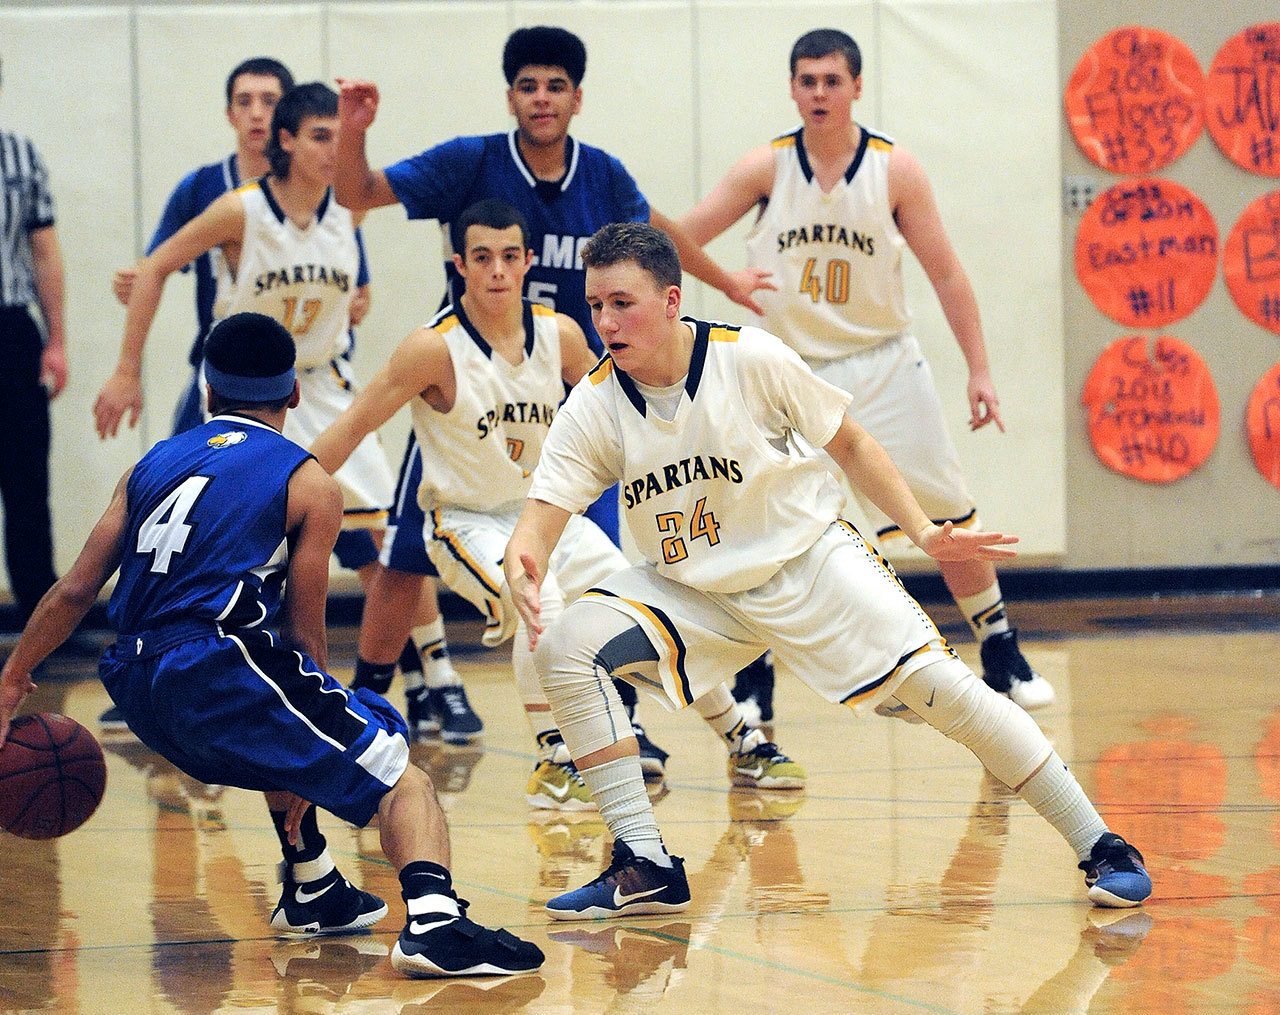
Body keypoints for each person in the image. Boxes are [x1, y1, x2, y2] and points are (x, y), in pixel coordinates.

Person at [504, 222, 1151, 919]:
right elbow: (540, 517)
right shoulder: (594, 403)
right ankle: (645, 862)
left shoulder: (748, 358)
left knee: (947, 692)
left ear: (670, 300)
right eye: (595, 305)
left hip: (808, 562)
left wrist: (922, 531)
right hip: (695, 591)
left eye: (621, 304)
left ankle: (1102, 843)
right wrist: (523, 559)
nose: (604, 322)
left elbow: (853, 444)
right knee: (562, 645)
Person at [0, 311, 544, 977]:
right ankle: (436, 924)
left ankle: (313, 883)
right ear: (294, 393)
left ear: (207, 391)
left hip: (136, 684)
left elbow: (74, 590)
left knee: (279, 719)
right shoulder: (309, 481)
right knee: (401, 772)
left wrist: (13, 678)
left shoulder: (149, 464)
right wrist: (320, 739)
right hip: (215, 664)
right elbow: (303, 636)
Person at [329, 26, 774, 756]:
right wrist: (354, 132)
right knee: (406, 557)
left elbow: (659, 235)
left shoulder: (602, 178)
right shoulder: (469, 162)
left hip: (570, 391)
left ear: (577, 98)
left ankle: (617, 723)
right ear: (510, 96)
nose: (542, 98)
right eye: (528, 86)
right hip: (471, 394)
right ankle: (371, 697)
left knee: (601, 576)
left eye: (555, 86)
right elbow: (356, 192)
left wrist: (726, 282)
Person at [310, 200, 804, 811]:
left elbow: (624, 407)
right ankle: (556, 760)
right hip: (465, 521)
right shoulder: (430, 350)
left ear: (528, 261)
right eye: (482, 258)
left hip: (545, 517)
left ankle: (742, 741)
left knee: (653, 611)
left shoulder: (560, 334)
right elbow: (355, 424)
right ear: (460, 265)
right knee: (539, 601)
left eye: (508, 257)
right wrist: (279, 484)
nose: (497, 271)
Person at [677, 28, 1054, 715]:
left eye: (832, 80)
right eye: (807, 80)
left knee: (944, 511)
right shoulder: (766, 168)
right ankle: (756, 676)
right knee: (763, 524)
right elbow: (677, 240)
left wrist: (980, 370)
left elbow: (946, 273)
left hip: (884, 363)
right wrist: (727, 280)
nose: (819, 93)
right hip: (788, 371)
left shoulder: (894, 169)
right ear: (792, 88)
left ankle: (1000, 647)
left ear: (856, 86)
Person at [0, 58, 68, 630]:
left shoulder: (19, 157)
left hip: (10, 330)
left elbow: (44, 251)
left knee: (26, 478)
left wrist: (57, 339)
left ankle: (40, 622)